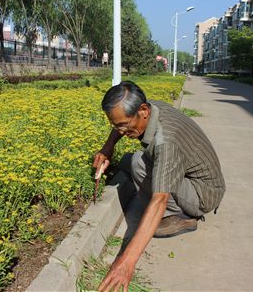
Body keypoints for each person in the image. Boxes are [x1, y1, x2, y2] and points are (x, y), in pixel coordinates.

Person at [93, 81, 225, 292]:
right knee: (131, 161)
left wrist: (126, 263)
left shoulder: (167, 142)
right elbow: (120, 126)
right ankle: (174, 210)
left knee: (139, 166)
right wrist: (107, 148)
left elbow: (159, 199)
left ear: (143, 111)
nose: (120, 130)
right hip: (190, 178)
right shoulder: (149, 107)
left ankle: (182, 217)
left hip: (202, 194)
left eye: (123, 124)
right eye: (115, 125)